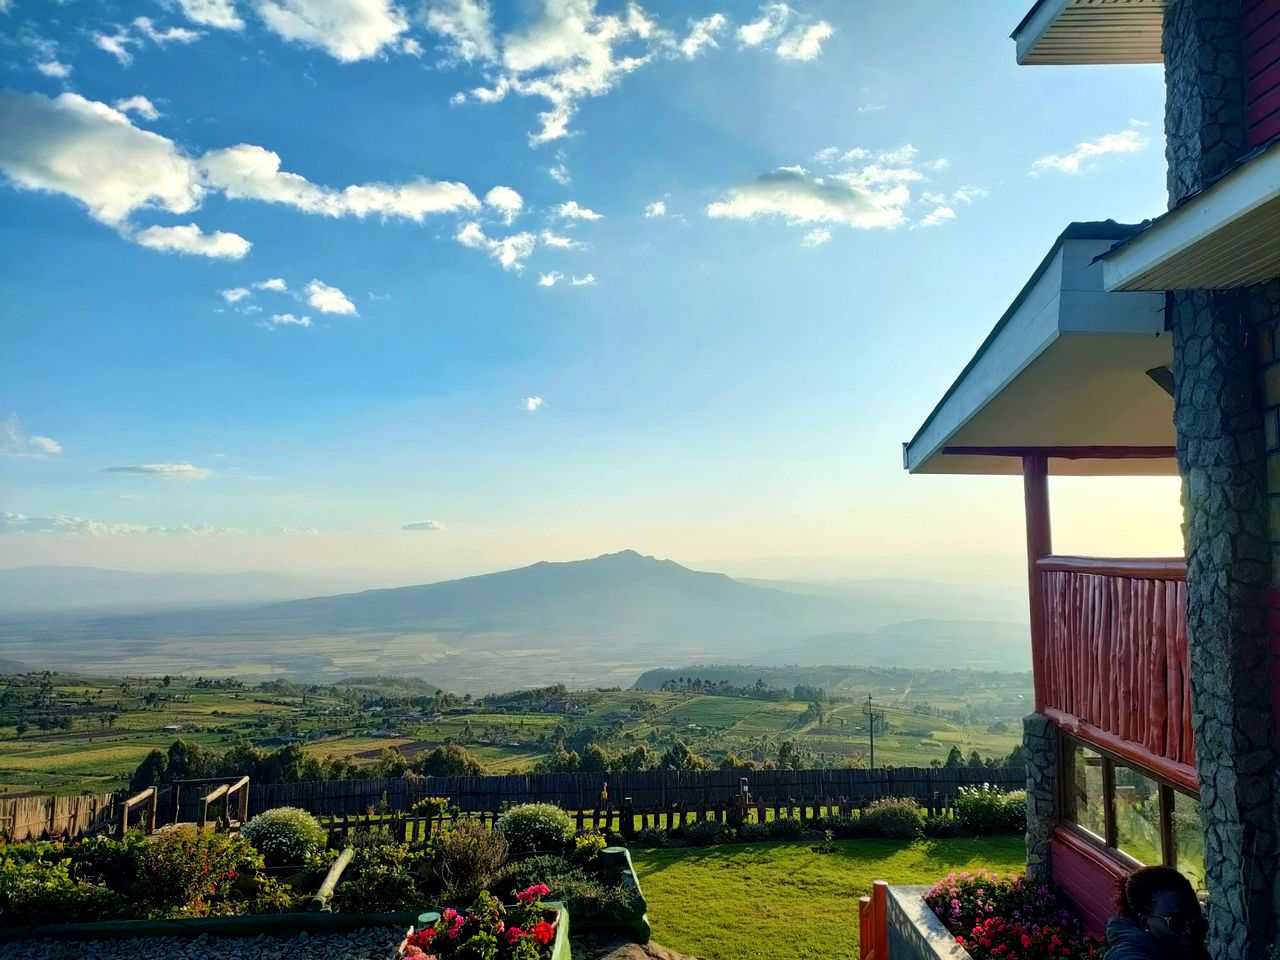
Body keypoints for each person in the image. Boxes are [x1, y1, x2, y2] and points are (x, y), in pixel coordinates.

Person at [1106, 866, 1209, 960]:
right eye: (1176, 922)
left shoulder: (1187, 950)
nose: (1189, 931)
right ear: (1144, 922)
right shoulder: (1127, 954)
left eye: (1196, 920)